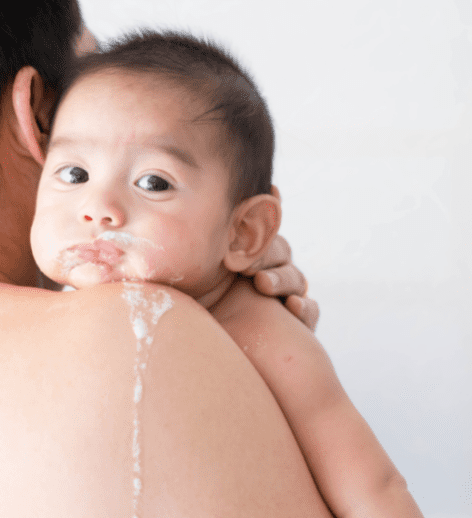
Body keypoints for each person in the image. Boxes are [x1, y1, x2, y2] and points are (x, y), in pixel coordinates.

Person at [30, 29, 424, 517]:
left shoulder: (266, 337)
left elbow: (377, 488)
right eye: (74, 174)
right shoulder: (53, 320)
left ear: (242, 233)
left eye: (152, 182)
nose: (98, 208)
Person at [0, 1, 331, 515]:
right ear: (39, 113)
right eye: (81, 87)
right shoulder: (139, 329)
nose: (104, 211)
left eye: (153, 182)